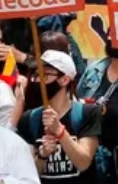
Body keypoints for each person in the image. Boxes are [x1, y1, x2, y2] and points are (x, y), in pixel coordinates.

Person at [18, 49, 102, 182]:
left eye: (45, 75)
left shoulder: (88, 113)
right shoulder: (28, 119)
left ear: (65, 79)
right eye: (37, 75)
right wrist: (42, 155)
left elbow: (84, 162)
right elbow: (27, 174)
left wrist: (60, 132)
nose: (39, 81)